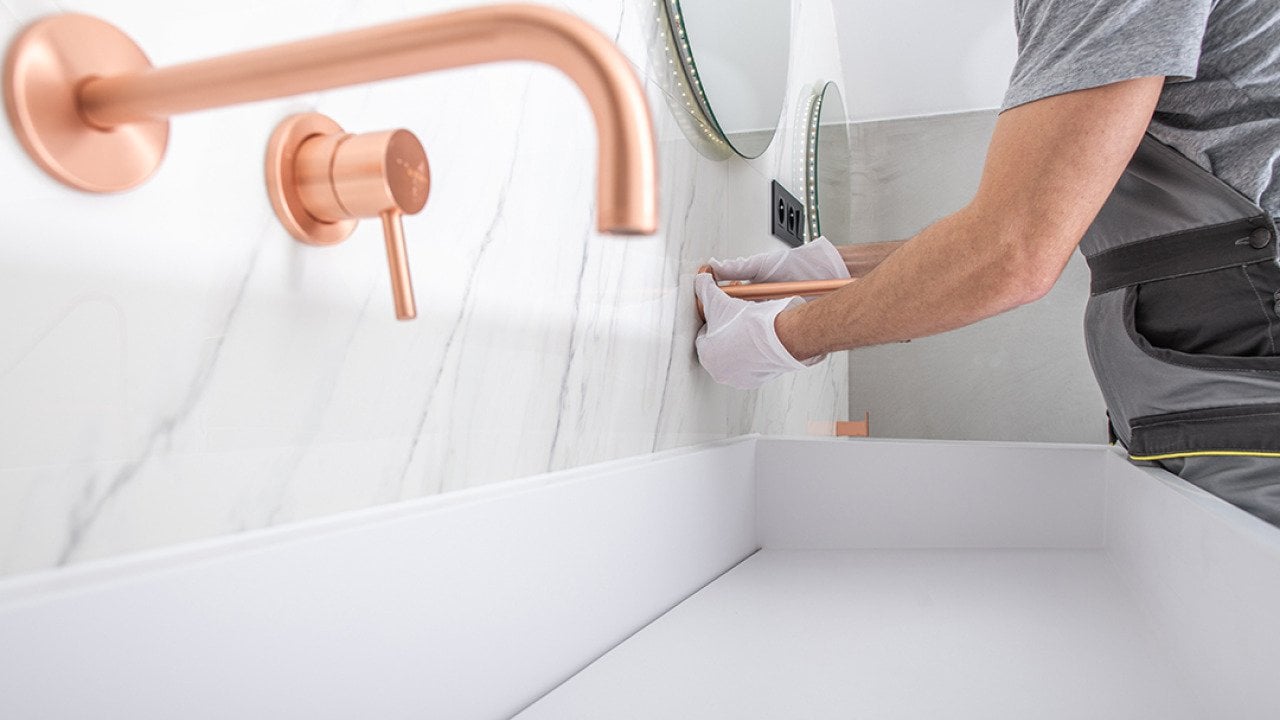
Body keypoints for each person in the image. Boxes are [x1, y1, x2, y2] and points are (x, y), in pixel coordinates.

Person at [694, 0, 1280, 526]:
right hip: (1210, 381)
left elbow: (1012, 253)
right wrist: (821, 268)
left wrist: (778, 340)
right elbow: (1029, 233)